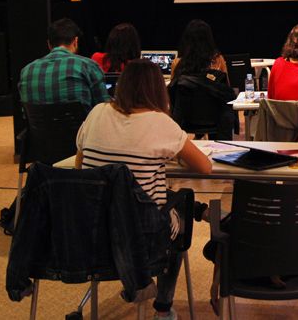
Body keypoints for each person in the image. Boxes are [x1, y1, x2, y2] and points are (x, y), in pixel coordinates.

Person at [75, 59, 212, 320]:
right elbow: (205, 167)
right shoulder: (161, 123)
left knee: (158, 199)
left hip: (93, 231)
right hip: (144, 237)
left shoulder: (96, 113)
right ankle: (163, 307)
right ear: (158, 90)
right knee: (178, 214)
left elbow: (80, 168)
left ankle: (201, 212)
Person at [18, 18, 110, 111]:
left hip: (40, 126)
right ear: (75, 41)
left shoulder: (26, 71)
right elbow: (104, 110)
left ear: (49, 44)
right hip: (81, 125)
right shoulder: (88, 66)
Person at [169, 19, 235, 140]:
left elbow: (173, 96)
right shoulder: (218, 61)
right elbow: (226, 90)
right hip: (215, 120)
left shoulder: (177, 64)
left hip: (185, 119)